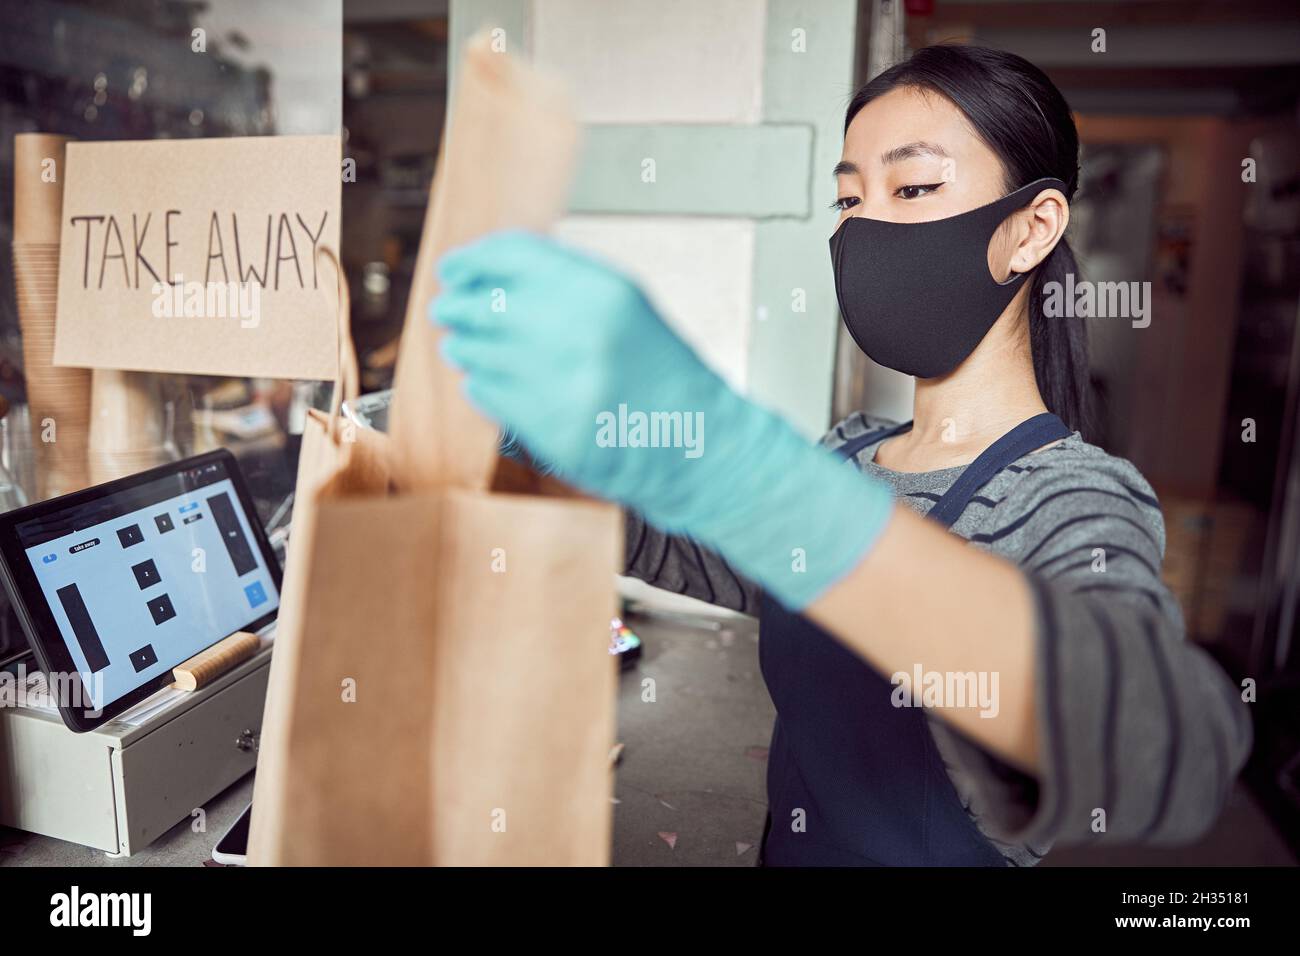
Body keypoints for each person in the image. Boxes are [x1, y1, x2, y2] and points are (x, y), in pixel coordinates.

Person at [431, 45, 1252, 866]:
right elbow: (702, 556)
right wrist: (527, 441)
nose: (863, 226)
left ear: (1032, 229)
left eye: (915, 187)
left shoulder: (1074, 497)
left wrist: (736, 460)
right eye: (849, 197)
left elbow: (1166, 750)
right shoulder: (853, 451)